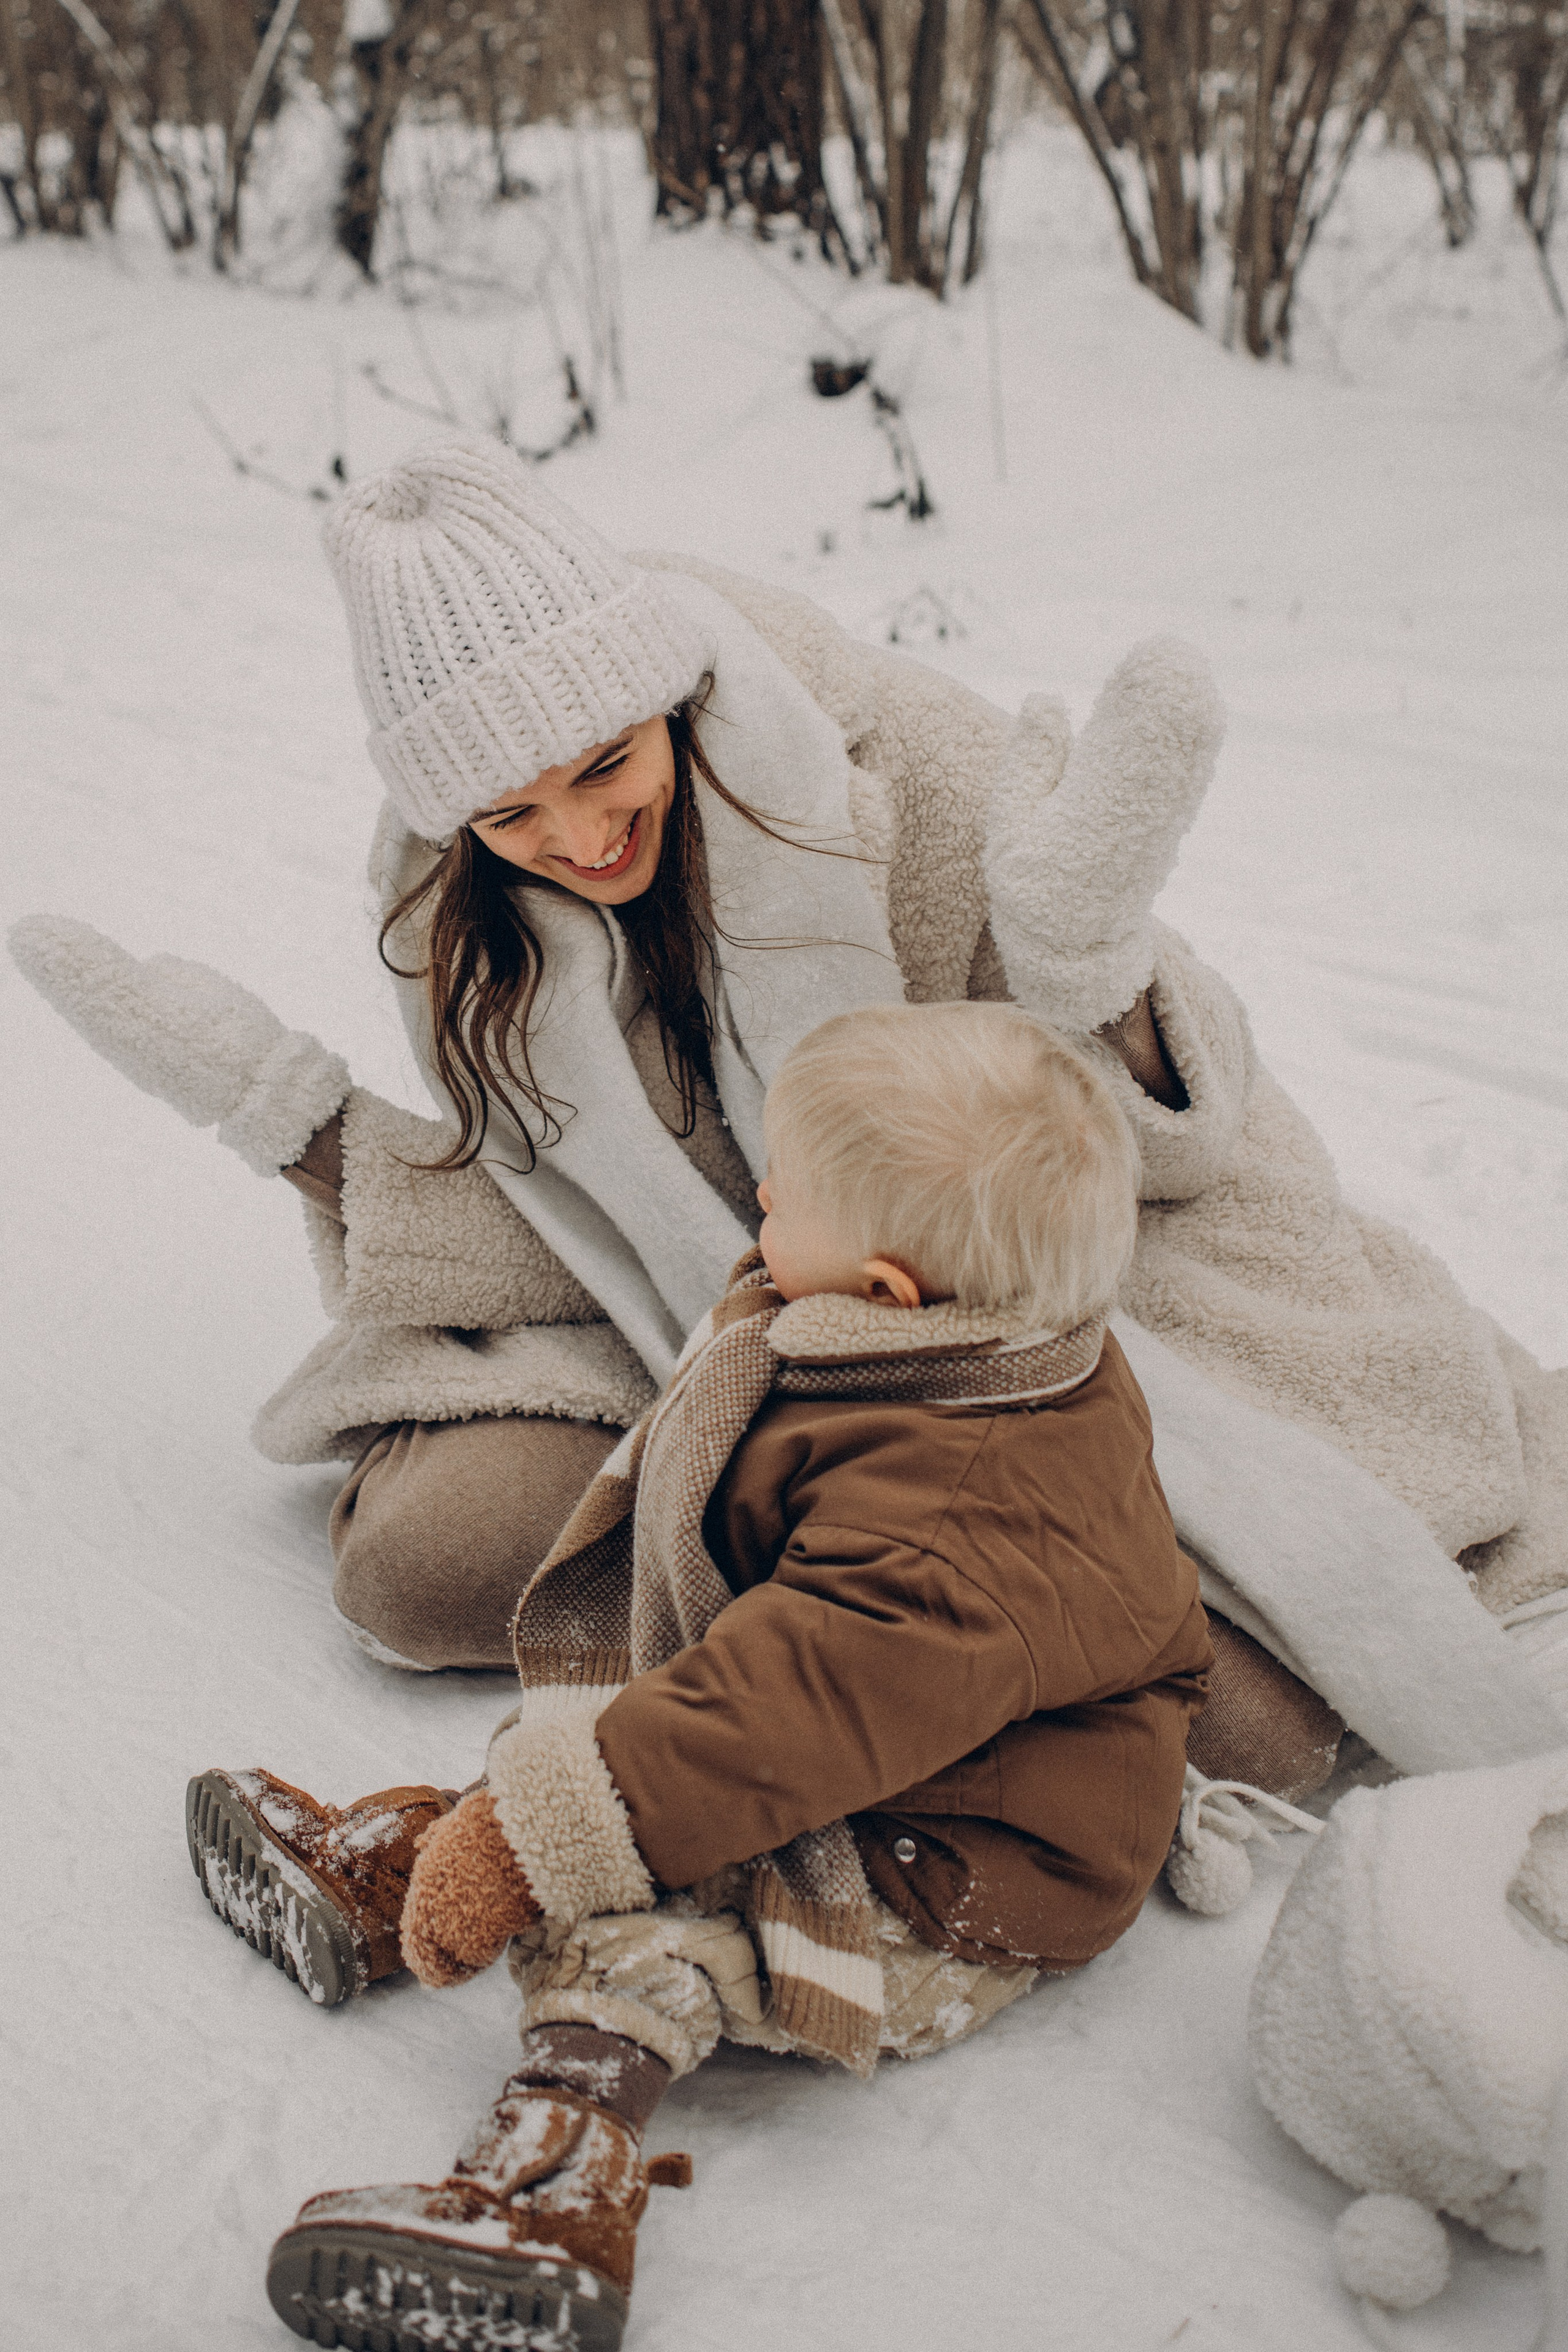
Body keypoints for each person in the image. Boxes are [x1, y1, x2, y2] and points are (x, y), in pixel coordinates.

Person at [11, 436, 1561, 1789]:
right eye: (508, 813)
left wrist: (1092, 977)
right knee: (425, 1571)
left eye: (601, 766)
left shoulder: (889, 758)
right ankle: (886, 1607)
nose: (572, 834)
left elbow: (1179, 1144)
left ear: (658, 694)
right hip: (729, 1322)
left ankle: (884, 1606)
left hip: (1044, 1275)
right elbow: (574, 1224)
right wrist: (293, 1119)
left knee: (1244, 1726)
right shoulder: (460, 923)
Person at [246, 997, 1214, 2349]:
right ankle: (406, 1879)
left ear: (890, 1290)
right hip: (881, 1737)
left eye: (789, 1190)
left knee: (659, 1907)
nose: (759, 1194)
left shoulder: (955, 1523)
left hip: (970, 1857)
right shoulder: (972, 1345)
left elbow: (777, 1719)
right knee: (610, 1778)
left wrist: (552, 1845)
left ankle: (554, 2183)